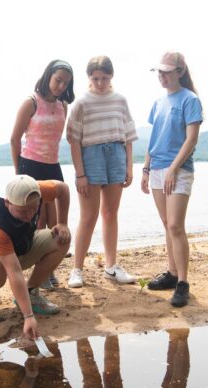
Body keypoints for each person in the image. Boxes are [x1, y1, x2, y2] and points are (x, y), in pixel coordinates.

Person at [0, 175, 71, 338]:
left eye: (34, 209)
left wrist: (62, 223)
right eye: (23, 211)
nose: (29, 216)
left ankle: (31, 293)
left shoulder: (35, 190)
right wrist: (29, 317)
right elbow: (15, 272)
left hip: (18, 246)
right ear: (7, 203)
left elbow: (63, 189)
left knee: (62, 239)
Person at [66, 56, 138, 288]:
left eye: (104, 78)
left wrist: (129, 166)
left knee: (110, 214)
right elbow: (74, 141)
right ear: (89, 78)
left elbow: (128, 136)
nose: (99, 83)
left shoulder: (120, 101)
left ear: (111, 77)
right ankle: (77, 269)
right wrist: (80, 174)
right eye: (95, 78)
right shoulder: (81, 103)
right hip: (91, 157)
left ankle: (111, 266)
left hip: (116, 155)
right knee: (88, 216)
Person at [141, 52, 203, 307]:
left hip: (178, 170)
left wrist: (173, 168)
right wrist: (145, 169)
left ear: (179, 71)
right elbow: (153, 139)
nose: (162, 76)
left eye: (167, 72)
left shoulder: (190, 100)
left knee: (176, 225)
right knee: (167, 223)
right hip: (156, 169)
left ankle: (183, 283)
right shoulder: (158, 103)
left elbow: (191, 139)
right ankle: (172, 272)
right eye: (159, 72)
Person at [9, 59, 75, 289]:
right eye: (58, 80)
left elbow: (58, 138)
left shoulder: (63, 106)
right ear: (48, 76)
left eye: (65, 83)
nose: (60, 86)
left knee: (56, 223)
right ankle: (36, 273)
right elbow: (15, 139)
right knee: (36, 222)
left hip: (52, 165)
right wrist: (19, 173)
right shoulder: (31, 103)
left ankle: (48, 270)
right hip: (30, 165)